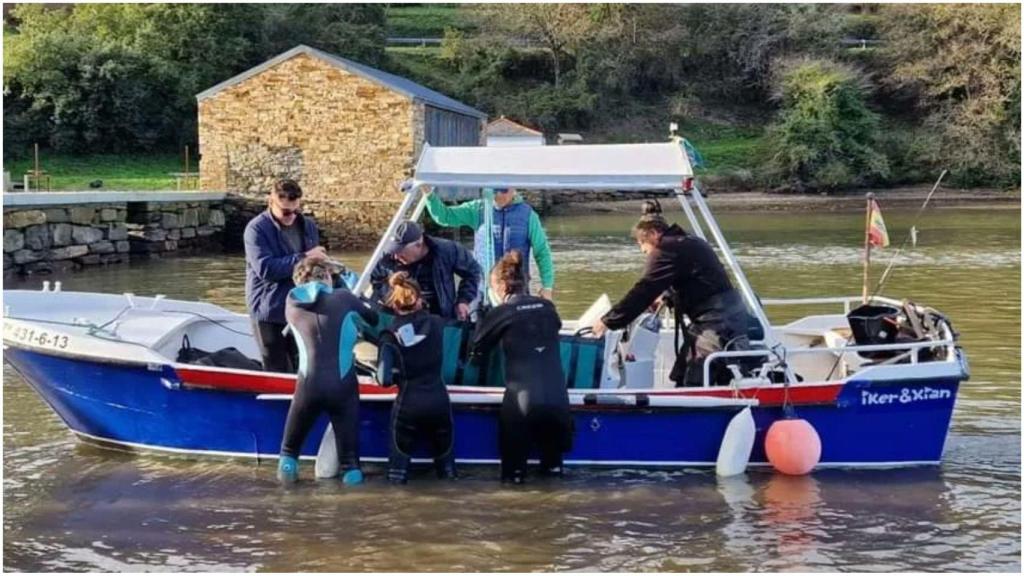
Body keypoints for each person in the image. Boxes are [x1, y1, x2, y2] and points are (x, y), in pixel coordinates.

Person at [591, 201, 752, 387]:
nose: (643, 252)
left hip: (719, 322)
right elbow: (692, 277)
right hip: (723, 316)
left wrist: (608, 321)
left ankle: (692, 410)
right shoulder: (686, 242)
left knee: (695, 377)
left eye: (642, 245)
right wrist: (667, 295)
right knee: (682, 372)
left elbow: (644, 289)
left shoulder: (665, 249)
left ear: (653, 234)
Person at [469, 251, 572, 484]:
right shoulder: (548, 308)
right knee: (554, 478)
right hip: (558, 404)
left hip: (522, 405)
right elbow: (553, 327)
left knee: (513, 480)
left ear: (501, 287)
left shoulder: (502, 312)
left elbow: (477, 351)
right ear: (526, 283)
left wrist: (480, 318)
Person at [277, 258, 379, 485]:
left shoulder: (292, 303)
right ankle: (353, 510)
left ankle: (284, 507)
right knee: (350, 463)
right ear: (327, 276)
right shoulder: (344, 298)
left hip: (307, 387)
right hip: (342, 388)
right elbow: (373, 318)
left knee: (289, 452)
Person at [376, 272, 456, 484]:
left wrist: (396, 373)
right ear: (419, 299)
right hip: (439, 402)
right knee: (448, 475)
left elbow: (383, 380)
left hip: (408, 405)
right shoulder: (438, 324)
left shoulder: (389, 334)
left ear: (394, 305)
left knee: (397, 477)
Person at [244, 179, 327, 373]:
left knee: (303, 367)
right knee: (277, 368)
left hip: (300, 307)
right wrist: (305, 257)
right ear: (270, 201)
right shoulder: (256, 230)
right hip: (269, 309)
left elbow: (310, 269)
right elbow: (266, 269)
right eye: (285, 212)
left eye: (295, 211)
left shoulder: (307, 226)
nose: (291, 217)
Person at [425, 187, 555, 300]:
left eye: (503, 190)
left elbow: (542, 252)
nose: (498, 195)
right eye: (495, 190)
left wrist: (547, 286)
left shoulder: (528, 215)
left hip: (517, 290)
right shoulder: (477, 210)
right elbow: (444, 216)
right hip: (483, 292)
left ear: (513, 188)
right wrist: (428, 194)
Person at [371, 220, 481, 321]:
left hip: (440, 317)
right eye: (393, 250)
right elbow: (376, 281)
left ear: (418, 244)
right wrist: (394, 291)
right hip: (401, 318)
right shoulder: (387, 258)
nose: (395, 256)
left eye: (400, 251)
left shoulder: (447, 250)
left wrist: (463, 300)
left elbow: (472, 272)